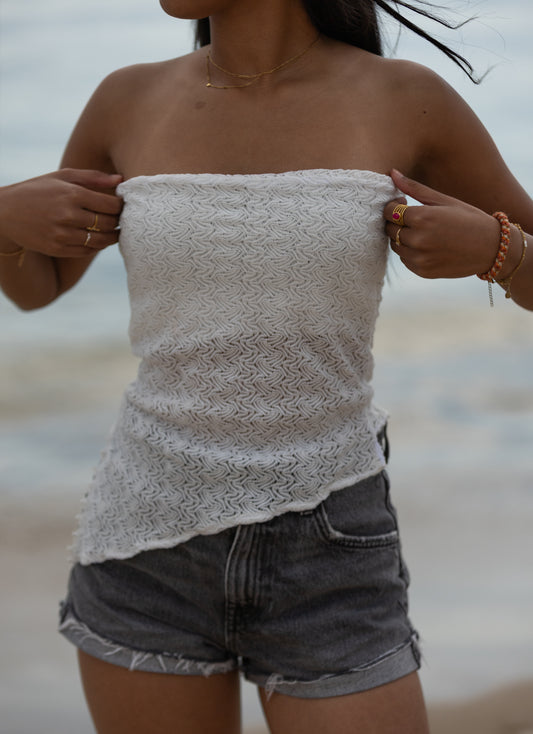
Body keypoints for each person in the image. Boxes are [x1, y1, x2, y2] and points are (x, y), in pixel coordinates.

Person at [1, 1, 532, 732]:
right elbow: (41, 284)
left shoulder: (406, 98)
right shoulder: (126, 98)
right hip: (144, 543)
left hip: (330, 552)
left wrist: (500, 252)